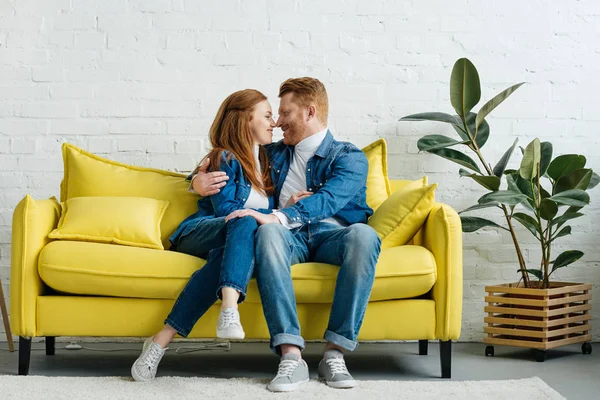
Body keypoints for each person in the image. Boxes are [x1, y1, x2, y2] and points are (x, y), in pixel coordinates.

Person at [195, 77, 382, 392]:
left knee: (364, 236)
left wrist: (279, 216)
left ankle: (335, 352)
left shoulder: (348, 156)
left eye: (285, 113)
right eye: (275, 115)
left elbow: (330, 200)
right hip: (285, 238)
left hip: (331, 236)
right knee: (267, 235)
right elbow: (232, 156)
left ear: (309, 112)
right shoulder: (273, 153)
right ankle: (291, 355)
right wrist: (195, 180)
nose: (278, 123)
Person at [131, 89, 276, 382]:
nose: (274, 122)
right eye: (268, 115)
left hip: (235, 242)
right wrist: (195, 181)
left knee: (232, 248)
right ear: (246, 119)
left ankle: (160, 339)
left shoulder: (269, 160)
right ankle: (230, 306)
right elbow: (227, 210)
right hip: (201, 231)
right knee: (245, 221)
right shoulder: (225, 157)